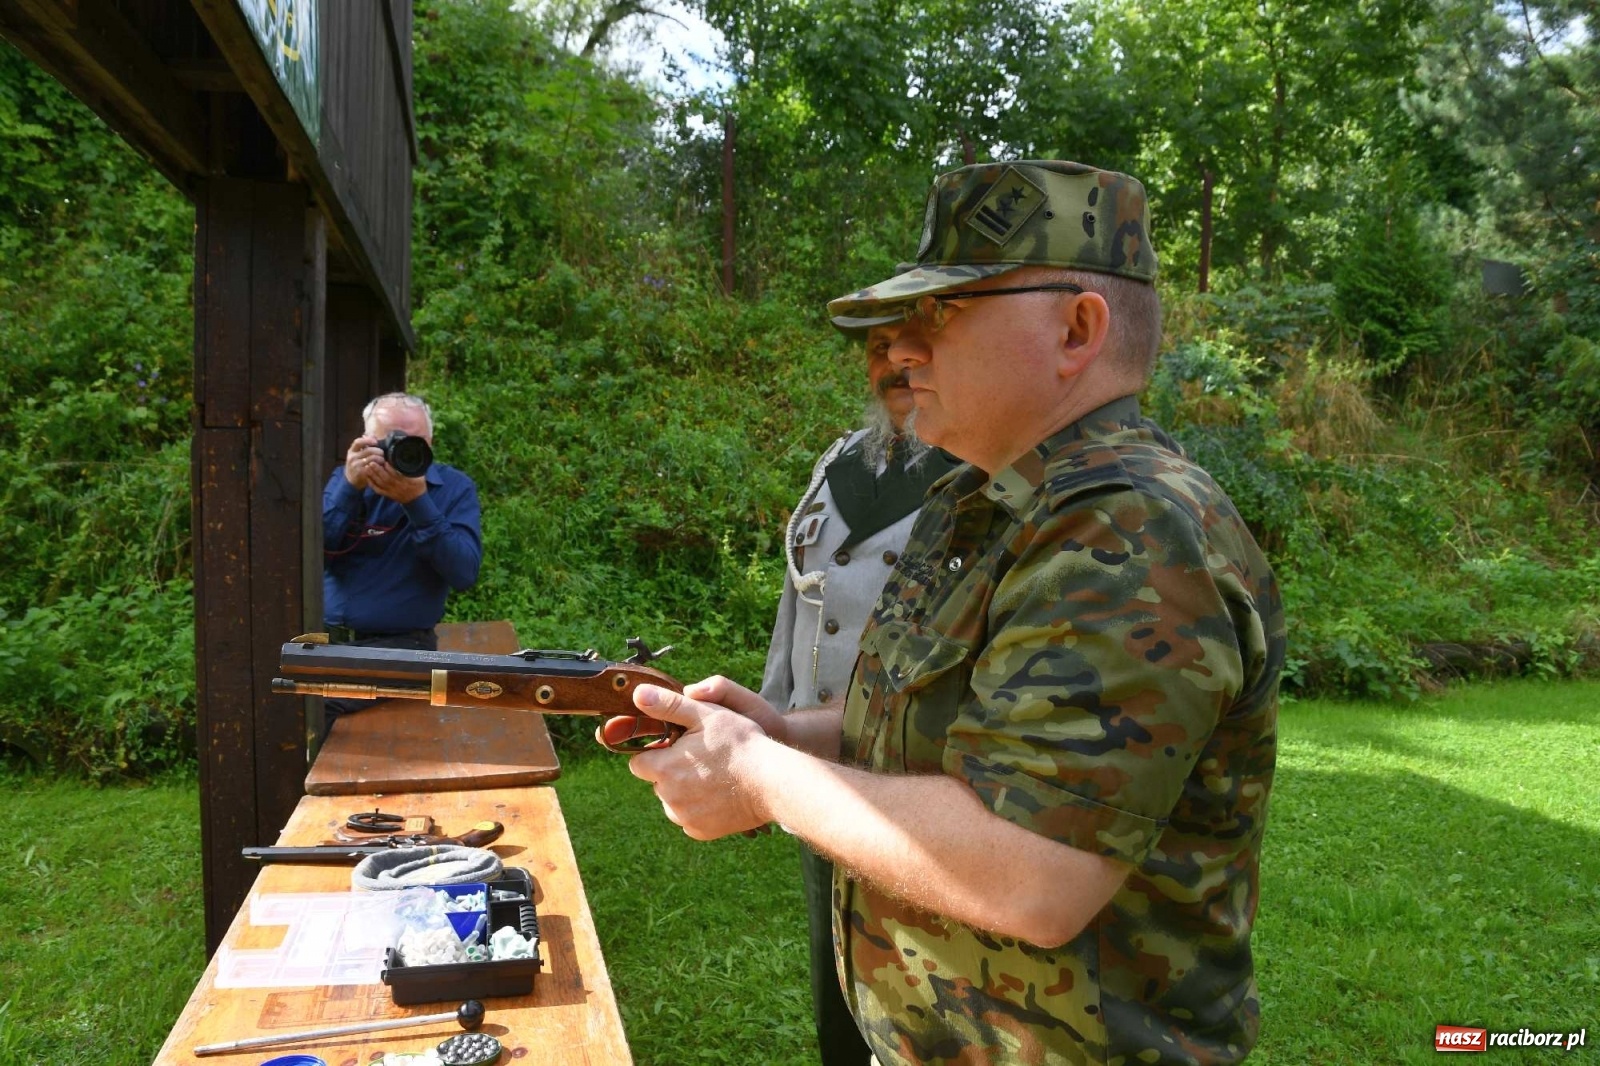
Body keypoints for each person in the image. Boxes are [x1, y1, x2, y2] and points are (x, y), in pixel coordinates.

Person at [613, 160, 1286, 1064]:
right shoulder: (985, 502)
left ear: (1077, 329)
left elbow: (1036, 874)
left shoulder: (1127, 528)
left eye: (941, 314)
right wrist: (785, 734)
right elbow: (939, 734)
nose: (899, 350)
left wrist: (758, 777)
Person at [760, 315, 957, 1066]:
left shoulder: (981, 471)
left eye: (911, 346)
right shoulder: (841, 460)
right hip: (821, 763)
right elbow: (798, 598)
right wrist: (774, 723)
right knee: (834, 965)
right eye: (878, 351)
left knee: (916, 989)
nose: (892, 364)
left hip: (916, 777)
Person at [321, 392, 482, 732]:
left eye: (416, 441)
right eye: (391, 441)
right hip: (331, 642)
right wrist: (349, 489)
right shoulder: (346, 481)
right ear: (367, 441)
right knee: (280, 689)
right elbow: (312, 552)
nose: (403, 450)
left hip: (404, 647)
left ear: (431, 440)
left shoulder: (453, 489)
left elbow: (464, 573)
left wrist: (418, 503)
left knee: (314, 702)